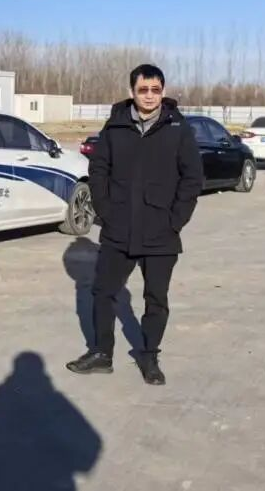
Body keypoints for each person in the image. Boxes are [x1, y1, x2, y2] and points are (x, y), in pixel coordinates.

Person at [67, 64, 203, 385]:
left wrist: (175, 220)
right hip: (119, 229)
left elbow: (192, 177)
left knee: (156, 298)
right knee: (102, 292)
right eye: (143, 90)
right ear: (132, 92)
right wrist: (106, 210)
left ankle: (149, 356)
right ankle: (101, 353)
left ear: (163, 91)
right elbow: (98, 169)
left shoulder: (178, 128)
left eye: (156, 90)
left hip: (161, 231)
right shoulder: (115, 126)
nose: (150, 96)